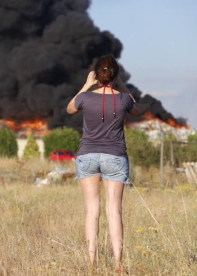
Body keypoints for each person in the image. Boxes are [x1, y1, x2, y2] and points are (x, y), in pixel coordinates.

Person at [66, 55, 139, 273]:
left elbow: (70, 108)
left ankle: (91, 263)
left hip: (87, 156)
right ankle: (118, 264)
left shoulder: (85, 98)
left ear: (97, 75)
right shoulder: (124, 99)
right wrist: (122, 85)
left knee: (92, 211)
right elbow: (135, 109)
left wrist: (87, 85)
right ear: (115, 75)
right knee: (114, 211)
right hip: (116, 156)